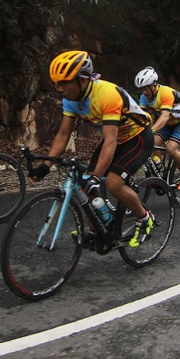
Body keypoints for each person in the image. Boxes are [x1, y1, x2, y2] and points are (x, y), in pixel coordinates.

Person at [45, 51, 155, 248]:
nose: (59, 89)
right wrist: (45, 165)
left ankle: (144, 217)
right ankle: (97, 229)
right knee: (85, 185)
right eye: (56, 84)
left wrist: (96, 177)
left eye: (63, 83)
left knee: (113, 183)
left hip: (137, 137)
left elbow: (110, 141)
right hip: (116, 139)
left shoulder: (106, 94)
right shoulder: (70, 100)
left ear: (82, 80)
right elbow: (63, 135)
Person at [136, 67, 180, 191]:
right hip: (169, 123)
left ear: (153, 85)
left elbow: (164, 117)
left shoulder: (166, 93)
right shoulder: (144, 98)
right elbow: (142, 117)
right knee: (149, 144)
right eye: (141, 89)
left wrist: (150, 131)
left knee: (170, 148)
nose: (143, 92)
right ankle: (159, 167)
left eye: (145, 88)